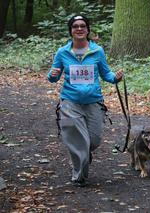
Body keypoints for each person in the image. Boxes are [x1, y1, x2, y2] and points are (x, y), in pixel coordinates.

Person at [48, 15, 123, 187]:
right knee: (78, 140)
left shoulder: (97, 51)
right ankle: (79, 176)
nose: (79, 29)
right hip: (70, 102)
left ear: (88, 30)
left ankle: (84, 154)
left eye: (83, 26)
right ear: (71, 31)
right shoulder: (62, 52)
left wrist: (116, 78)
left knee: (93, 141)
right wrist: (52, 75)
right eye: (75, 26)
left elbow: (106, 75)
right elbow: (53, 76)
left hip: (94, 102)